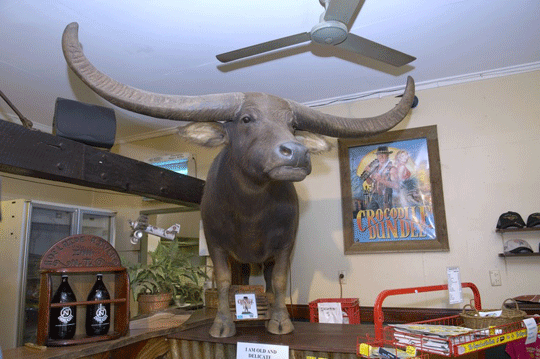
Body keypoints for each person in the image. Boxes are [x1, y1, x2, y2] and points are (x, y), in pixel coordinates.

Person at [359, 146, 395, 210]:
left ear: (387, 155)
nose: (381, 156)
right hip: (374, 195)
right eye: (379, 154)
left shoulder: (392, 168)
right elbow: (370, 182)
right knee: (369, 213)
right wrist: (367, 174)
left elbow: (396, 185)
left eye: (383, 154)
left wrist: (381, 180)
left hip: (386, 196)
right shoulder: (375, 168)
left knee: (385, 215)